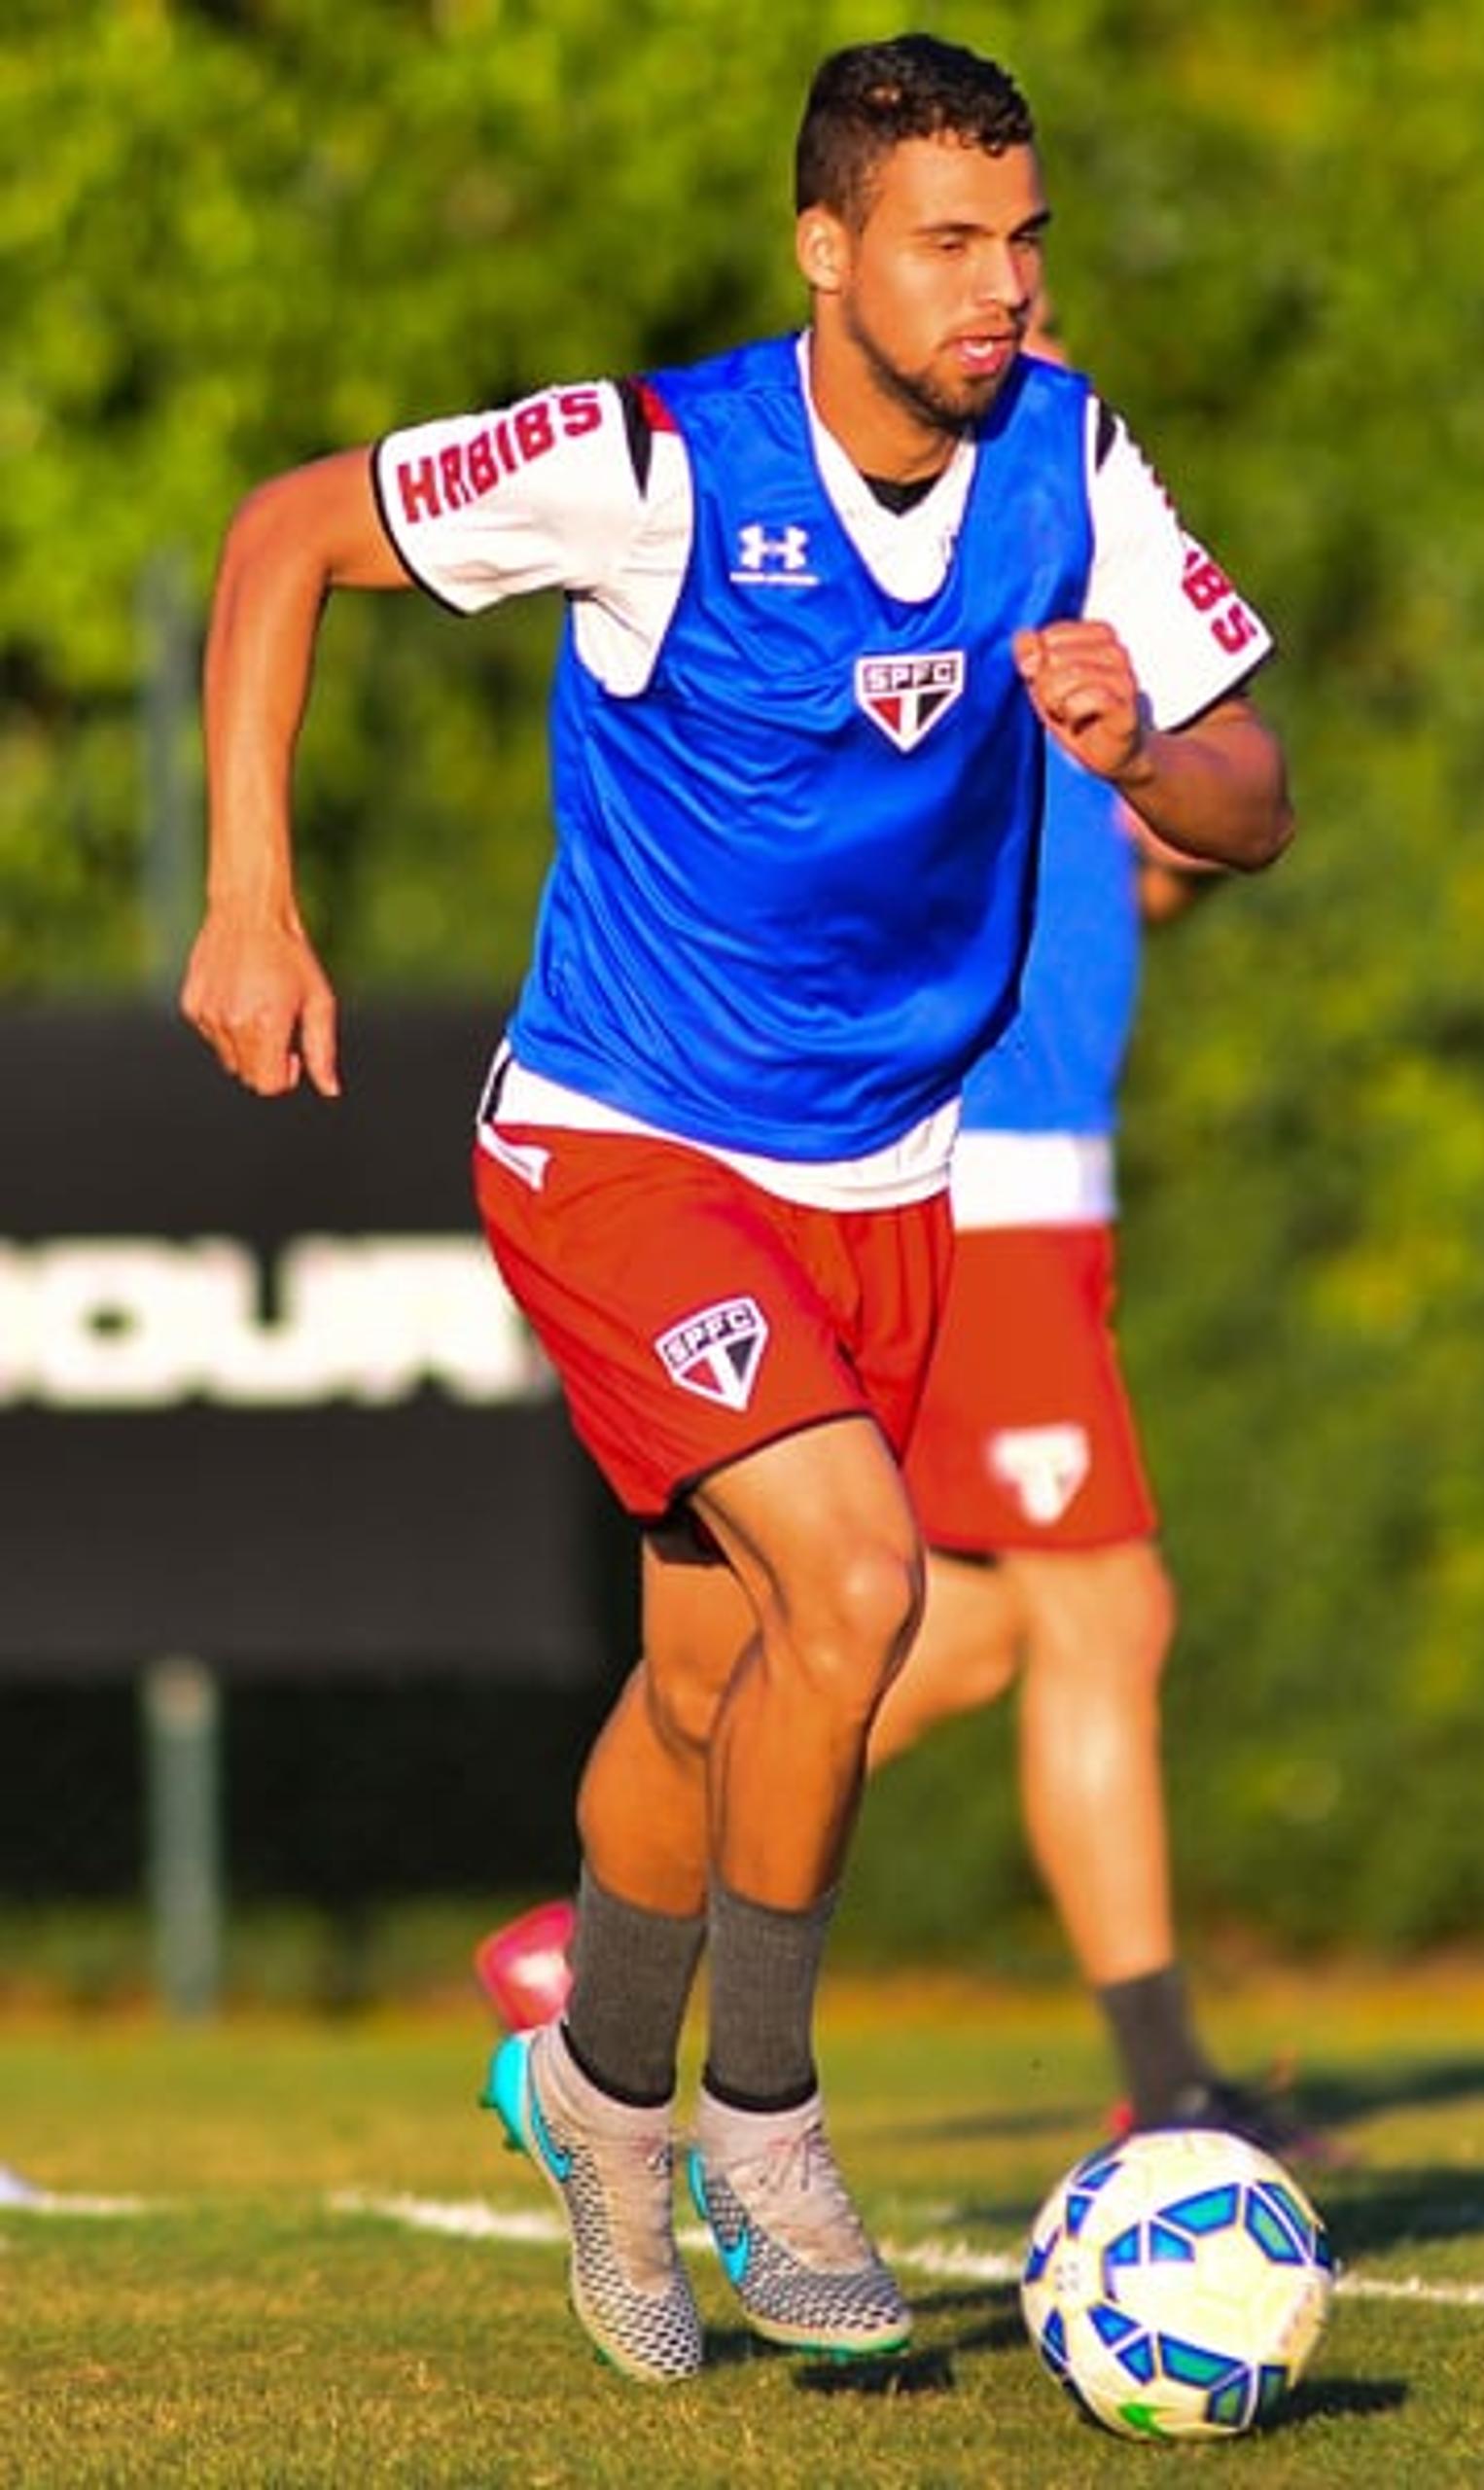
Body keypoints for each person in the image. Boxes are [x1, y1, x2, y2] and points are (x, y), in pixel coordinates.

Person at [181, 36, 1293, 2386]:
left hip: (885, 1167)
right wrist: (251, 902)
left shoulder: (1070, 458)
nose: (1002, 288)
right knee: (866, 1582)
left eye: (1025, 239)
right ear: (828, 251)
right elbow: (287, 530)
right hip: (619, 1140)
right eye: (948, 243)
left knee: (708, 1689)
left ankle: (591, 2092)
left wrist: (1142, 752)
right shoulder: (648, 461)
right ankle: (758, 2119)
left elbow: (1254, 786)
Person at [477, 298, 1308, 2155]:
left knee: (924, 1631)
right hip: (964, 1159)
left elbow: (1198, 822)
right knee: (1099, 1613)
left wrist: (1147, 767)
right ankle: (1166, 2090)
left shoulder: (1067, 524)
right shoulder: (896, 549)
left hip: (1014, 1173)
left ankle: (603, 1940)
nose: (1002, 340)